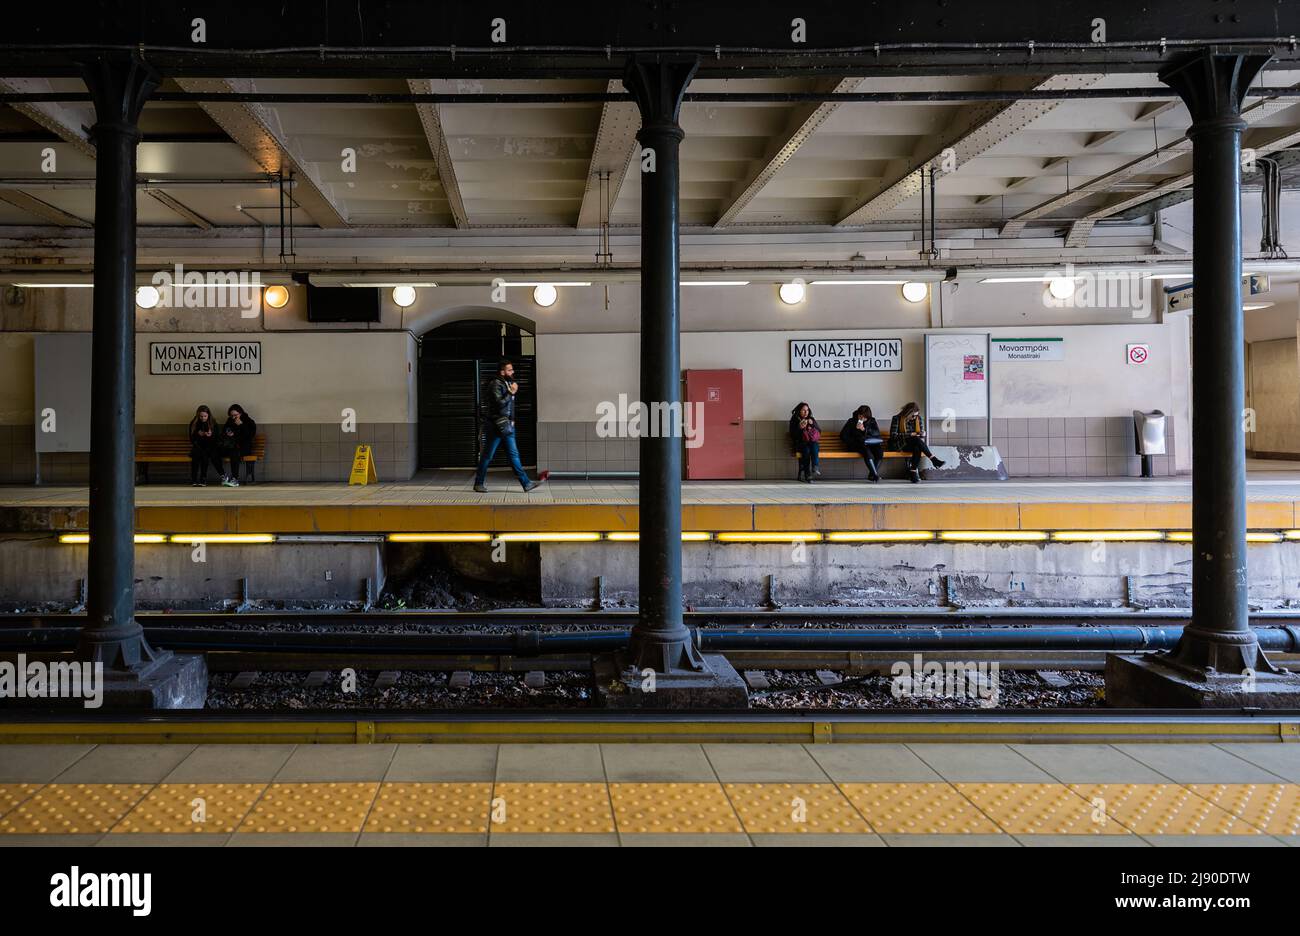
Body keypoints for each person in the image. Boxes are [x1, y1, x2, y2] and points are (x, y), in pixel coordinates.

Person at [474, 359, 545, 493]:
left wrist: (512, 419)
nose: (513, 372)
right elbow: (499, 404)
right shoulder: (495, 384)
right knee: (488, 456)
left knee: (514, 455)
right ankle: (478, 483)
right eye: (509, 370)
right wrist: (511, 392)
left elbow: (510, 406)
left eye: (512, 369)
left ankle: (526, 483)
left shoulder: (507, 383)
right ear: (502, 371)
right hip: (496, 426)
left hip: (507, 426)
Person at [888, 401, 945, 483]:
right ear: (908, 413)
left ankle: (913, 471)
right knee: (915, 439)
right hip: (899, 444)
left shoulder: (918, 419)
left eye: (916, 415)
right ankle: (933, 460)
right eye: (913, 416)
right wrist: (910, 434)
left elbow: (920, 434)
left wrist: (923, 434)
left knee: (917, 447)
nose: (915, 417)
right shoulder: (897, 418)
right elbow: (893, 436)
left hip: (913, 443)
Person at [840, 404, 883, 483]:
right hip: (856, 445)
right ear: (858, 414)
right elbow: (843, 436)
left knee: (879, 453)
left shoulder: (872, 420)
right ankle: (875, 475)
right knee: (867, 452)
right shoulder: (851, 421)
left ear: (868, 417)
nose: (862, 419)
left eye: (864, 417)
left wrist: (864, 429)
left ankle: (872, 474)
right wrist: (855, 435)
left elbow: (876, 433)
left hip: (871, 444)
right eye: (860, 416)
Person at [218, 403, 258, 487]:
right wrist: (228, 433)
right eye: (231, 415)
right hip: (230, 445)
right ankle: (224, 476)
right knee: (214, 452)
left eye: (235, 415)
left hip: (243, 447)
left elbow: (250, 436)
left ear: (240, 413)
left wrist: (241, 425)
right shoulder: (230, 420)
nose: (233, 417)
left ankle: (235, 479)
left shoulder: (249, 421)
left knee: (234, 452)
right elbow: (223, 432)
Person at [188, 405, 221, 486]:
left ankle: (203, 478)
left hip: (209, 447)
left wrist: (210, 435)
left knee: (204, 456)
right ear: (198, 415)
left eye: (205, 416)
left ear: (208, 415)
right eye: (201, 416)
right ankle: (194, 478)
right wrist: (198, 434)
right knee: (196, 456)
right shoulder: (194, 423)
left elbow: (217, 439)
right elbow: (191, 439)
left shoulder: (213, 423)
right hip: (198, 446)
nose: (203, 418)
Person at [788, 402, 821, 483]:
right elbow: (793, 435)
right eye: (803, 410)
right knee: (806, 450)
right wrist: (799, 427)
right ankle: (807, 474)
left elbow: (819, 431)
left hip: (810, 442)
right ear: (799, 411)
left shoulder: (811, 419)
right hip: (800, 443)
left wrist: (812, 424)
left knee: (814, 445)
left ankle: (815, 466)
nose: (806, 412)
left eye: (807, 410)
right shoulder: (795, 419)